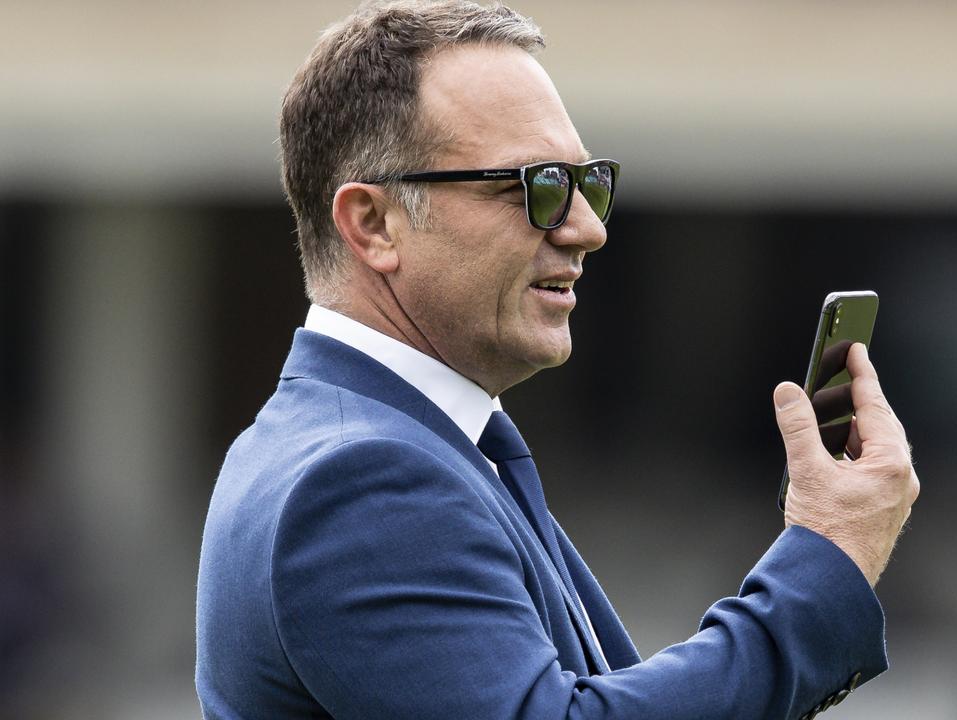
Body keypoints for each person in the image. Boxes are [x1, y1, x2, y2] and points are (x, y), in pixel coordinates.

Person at [194, 2, 920, 718]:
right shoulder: (360, 480)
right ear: (374, 223)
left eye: (588, 183)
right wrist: (827, 556)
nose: (587, 228)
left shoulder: (377, 446)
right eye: (536, 186)